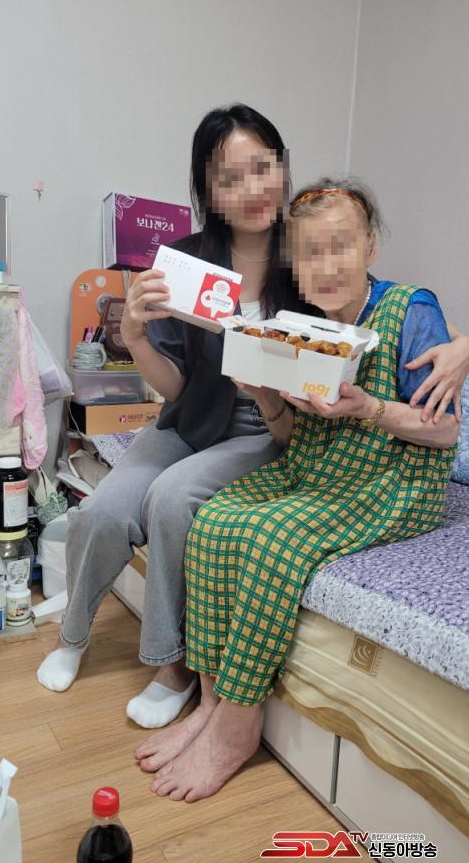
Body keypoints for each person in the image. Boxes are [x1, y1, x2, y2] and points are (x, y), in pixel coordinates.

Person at [138, 177, 461, 802]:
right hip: (318, 469)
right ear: (295, 264)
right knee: (216, 520)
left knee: (270, 539)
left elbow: (445, 430)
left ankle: (238, 725)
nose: (327, 265)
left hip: (391, 481)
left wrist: (367, 407)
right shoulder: (304, 325)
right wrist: (264, 394)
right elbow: (290, 437)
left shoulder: (411, 310)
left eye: (341, 246)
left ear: (370, 247)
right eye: (311, 252)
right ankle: (210, 702)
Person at [36, 104, 317, 723]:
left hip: (267, 428)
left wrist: (458, 345)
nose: (252, 189)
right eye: (229, 179)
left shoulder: (308, 255)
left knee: (170, 499)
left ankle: (175, 663)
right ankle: (73, 635)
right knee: (103, 510)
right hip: (190, 418)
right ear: (207, 192)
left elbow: (378, 298)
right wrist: (136, 338)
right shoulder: (186, 263)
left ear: (282, 167)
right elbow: (175, 387)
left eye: (262, 168)